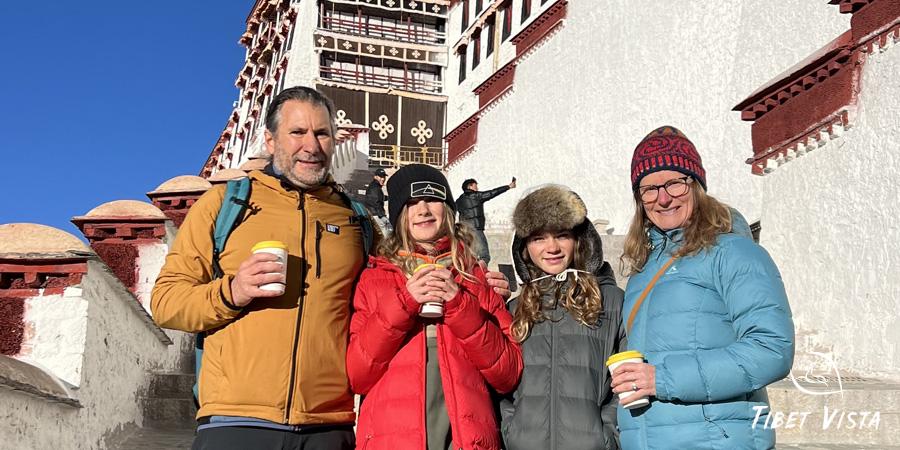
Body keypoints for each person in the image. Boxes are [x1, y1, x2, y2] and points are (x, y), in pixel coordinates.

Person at [151, 86, 366, 449]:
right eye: (297, 132)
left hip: (329, 425)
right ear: (270, 140)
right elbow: (166, 303)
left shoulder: (355, 220)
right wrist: (232, 291)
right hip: (236, 420)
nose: (311, 146)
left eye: (322, 133)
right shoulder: (225, 203)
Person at [611, 126, 794, 449]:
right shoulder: (643, 269)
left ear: (696, 185)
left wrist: (662, 379)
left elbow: (772, 349)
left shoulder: (733, 252)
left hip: (716, 439)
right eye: (649, 189)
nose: (663, 198)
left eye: (674, 183)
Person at [346, 164, 523, 450]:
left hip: (466, 439)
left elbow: (508, 373)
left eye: (432, 200)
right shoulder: (374, 278)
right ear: (399, 214)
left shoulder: (475, 277)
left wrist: (459, 305)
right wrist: (404, 302)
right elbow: (357, 375)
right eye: (412, 203)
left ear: (448, 210)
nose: (423, 210)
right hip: (390, 439)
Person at [500, 185, 625, 450]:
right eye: (538, 238)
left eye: (562, 235)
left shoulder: (611, 302)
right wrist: (512, 432)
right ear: (524, 248)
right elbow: (500, 385)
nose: (552, 247)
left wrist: (605, 437)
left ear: (579, 240)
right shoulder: (514, 309)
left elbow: (626, 381)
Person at [455, 177, 516, 264]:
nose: (477, 188)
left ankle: (471, 273)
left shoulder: (459, 200)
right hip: (476, 229)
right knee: (484, 255)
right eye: (475, 186)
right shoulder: (476, 196)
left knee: (471, 255)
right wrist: (508, 186)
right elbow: (492, 192)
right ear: (470, 186)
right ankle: (481, 274)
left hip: (464, 230)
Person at [365, 168, 391, 234]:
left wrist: (388, 198)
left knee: (389, 230)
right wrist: (382, 216)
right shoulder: (374, 187)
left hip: (376, 214)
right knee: (387, 234)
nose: (383, 179)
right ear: (375, 177)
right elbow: (375, 203)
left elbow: (378, 198)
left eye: (384, 177)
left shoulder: (375, 186)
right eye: (380, 177)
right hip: (376, 215)